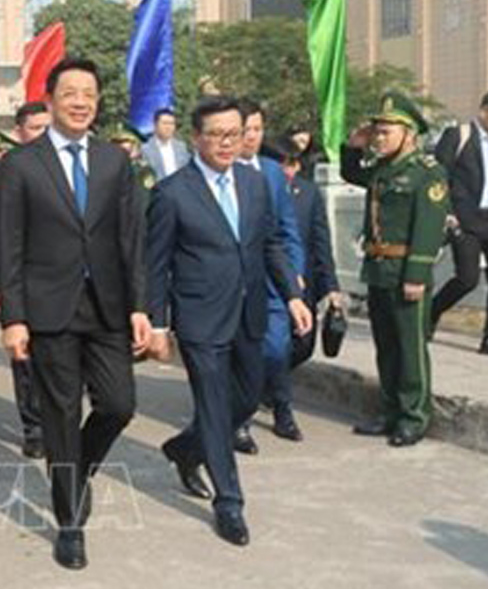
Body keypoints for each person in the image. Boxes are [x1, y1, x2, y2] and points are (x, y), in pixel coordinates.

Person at [0, 57, 151, 570]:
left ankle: (76, 467)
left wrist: (140, 307)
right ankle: (69, 521)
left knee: (119, 403)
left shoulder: (114, 162)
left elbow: (132, 240)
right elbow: (8, 245)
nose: (81, 101)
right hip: (48, 307)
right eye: (71, 93)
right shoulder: (22, 164)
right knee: (61, 414)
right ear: (50, 100)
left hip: (107, 304)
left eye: (89, 93)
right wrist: (13, 317)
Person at [147, 96, 312, 547]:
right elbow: (155, 264)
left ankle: (185, 448)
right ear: (195, 138)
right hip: (200, 317)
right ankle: (229, 502)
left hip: (251, 310)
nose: (225, 143)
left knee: (246, 399)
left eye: (234, 134)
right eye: (216, 135)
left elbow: (271, 244)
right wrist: (158, 324)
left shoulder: (255, 183)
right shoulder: (171, 192)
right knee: (216, 406)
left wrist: (293, 296)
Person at [341, 92, 449, 447]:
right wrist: (352, 145)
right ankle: (389, 412)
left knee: (410, 347)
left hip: (406, 271)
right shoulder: (383, 169)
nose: (379, 137)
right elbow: (352, 172)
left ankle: (414, 416)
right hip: (378, 270)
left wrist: (416, 276)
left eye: (386, 131)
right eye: (377, 131)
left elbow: (429, 228)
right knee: (386, 345)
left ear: (409, 134)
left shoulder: (427, 174)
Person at [0, 100, 52, 459]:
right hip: (18, 279)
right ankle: (34, 426)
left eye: (47, 127)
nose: (43, 135)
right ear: (20, 132)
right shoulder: (1, 170)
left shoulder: (64, 166)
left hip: (58, 281)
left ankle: (57, 420)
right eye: (36, 128)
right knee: (25, 357)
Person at [430, 87, 488, 358]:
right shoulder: (457, 136)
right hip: (466, 221)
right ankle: (431, 313)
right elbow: (438, 178)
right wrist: (447, 214)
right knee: (467, 279)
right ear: (484, 111)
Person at [232, 100, 305, 451]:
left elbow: (287, 228)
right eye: (247, 130)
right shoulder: (220, 170)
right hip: (235, 280)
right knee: (244, 352)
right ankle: (240, 421)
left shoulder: (273, 173)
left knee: (277, 348)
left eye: (259, 130)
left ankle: (282, 408)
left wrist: (296, 275)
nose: (253, 137)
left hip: (274, 278)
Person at [270, 136, 343, 438]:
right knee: (278, 345)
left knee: (302, 346)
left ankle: (268, 384)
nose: (288, 170)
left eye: (293, 164)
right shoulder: (256, 189)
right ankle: (282, 411)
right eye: (282, 164)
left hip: (304, 284)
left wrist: (331, 287)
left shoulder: (308, 193)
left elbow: (320, 241)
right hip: (270, 284)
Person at [140, 107, 191, 180]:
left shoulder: (181, 147)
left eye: (171, 124)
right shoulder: (145, 149)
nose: (168, 127)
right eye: (165, 123)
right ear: (155, 125)